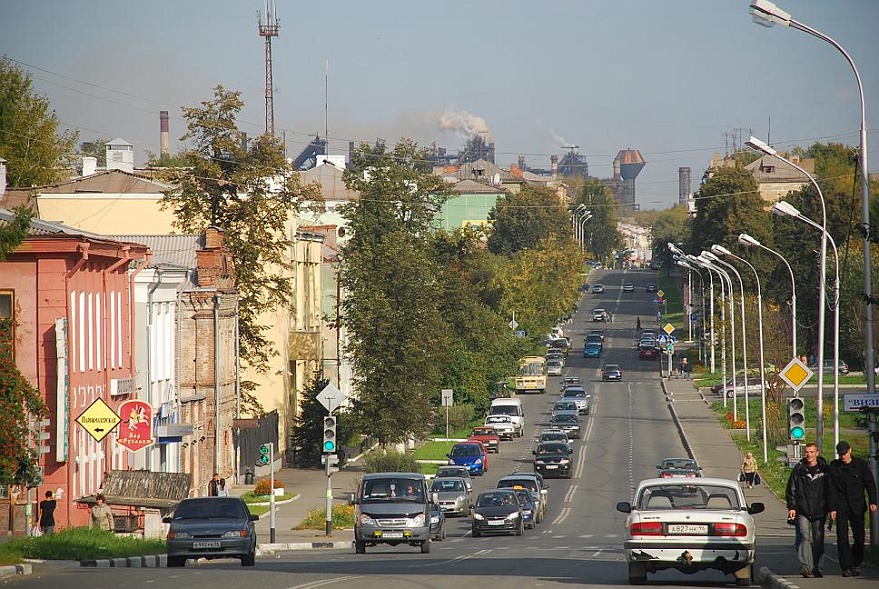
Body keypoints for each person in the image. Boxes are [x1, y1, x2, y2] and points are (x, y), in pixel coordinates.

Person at [829, 440, 878, 577]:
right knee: (842, 537)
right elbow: (831, 489)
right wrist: (832, 508)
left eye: (844, 453)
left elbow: (870, 484)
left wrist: (873, 501)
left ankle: (856, 563)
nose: (842, 456)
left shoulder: (860, 465)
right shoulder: (834, 467)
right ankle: (846, 566)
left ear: (850, 451)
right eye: (840, 454)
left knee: (859, 538)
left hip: (857, 505)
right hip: (841, 505)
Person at [785, 442, 833, 578]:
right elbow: (791, 490)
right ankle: (806, 566)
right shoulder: (799, 470)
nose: (809, 455)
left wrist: (831, 508)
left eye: (812, 452)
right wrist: (792, 507)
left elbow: (830, 491)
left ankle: (817, 567)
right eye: (807, 452)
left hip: (819, 510)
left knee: (818, 539)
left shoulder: (825, 471)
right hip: (803, 510)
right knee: (804, 536)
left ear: (817, 453)